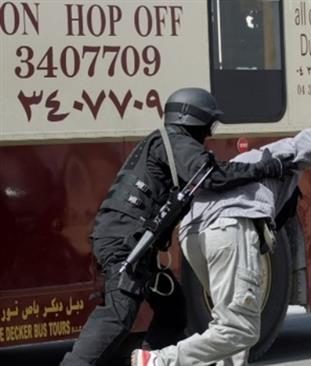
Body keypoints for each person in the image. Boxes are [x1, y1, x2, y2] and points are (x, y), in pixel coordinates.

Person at [61, 88, 293, 366]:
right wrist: (265, 168)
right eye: (209, 124)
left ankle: (147, 361)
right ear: (196, 121)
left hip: (127, 240)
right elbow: (212, 177)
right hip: (126, 243)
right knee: (118, 312)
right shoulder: (177, 142)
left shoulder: (164, 141)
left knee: (172, 309)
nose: (209, 133)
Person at [130, 129, 311, 366]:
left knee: (229, 322)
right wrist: (300, 152)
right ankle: (160, 360)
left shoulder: (241, 162)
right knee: (242, 329)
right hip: (228, 228)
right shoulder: (282, 152)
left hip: (192, 234)